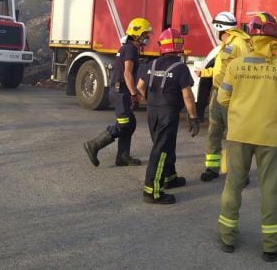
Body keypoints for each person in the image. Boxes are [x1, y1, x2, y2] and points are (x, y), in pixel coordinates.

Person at [216, 12, 277, 262]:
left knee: (233, 184)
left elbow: (222, 98)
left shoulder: (235, 65)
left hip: (239, 134)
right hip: (270, 137)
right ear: (274, 35)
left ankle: (227, 237)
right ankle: (272, 245)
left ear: (252, 36)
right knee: (270, 189)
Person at [136, 28, 200, 204]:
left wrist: (151, 100)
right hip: (168, 112)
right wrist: (193, 117)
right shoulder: (180, 68)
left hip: (153, 111)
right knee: (161, 150)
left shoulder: (152, 65)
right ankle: (152, 191)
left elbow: (140, 87)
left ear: (161, 46)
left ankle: (170, 177)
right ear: (179, 46)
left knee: (165, 145)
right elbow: (187, 95)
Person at [84, 18, 153, 167]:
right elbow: (127, 74)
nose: (148, 38)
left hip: (121, 92)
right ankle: (93, 145)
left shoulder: (129, 47)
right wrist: (134, 94)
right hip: (120, 92)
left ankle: (122, 157)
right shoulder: (130, 49)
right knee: (124, 125)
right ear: (137, 34)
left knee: (130, 123)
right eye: (145, 34)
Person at [194, 11, 250, 182]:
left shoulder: (240, 44)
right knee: (214, 131)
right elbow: (221, 69)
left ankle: (239, 173)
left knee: (234, 135)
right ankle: (212, 168)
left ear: (220, 28)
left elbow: (246, 71)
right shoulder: (226, 44)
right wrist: (204, 72)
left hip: (232, 95)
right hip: (217, 93)